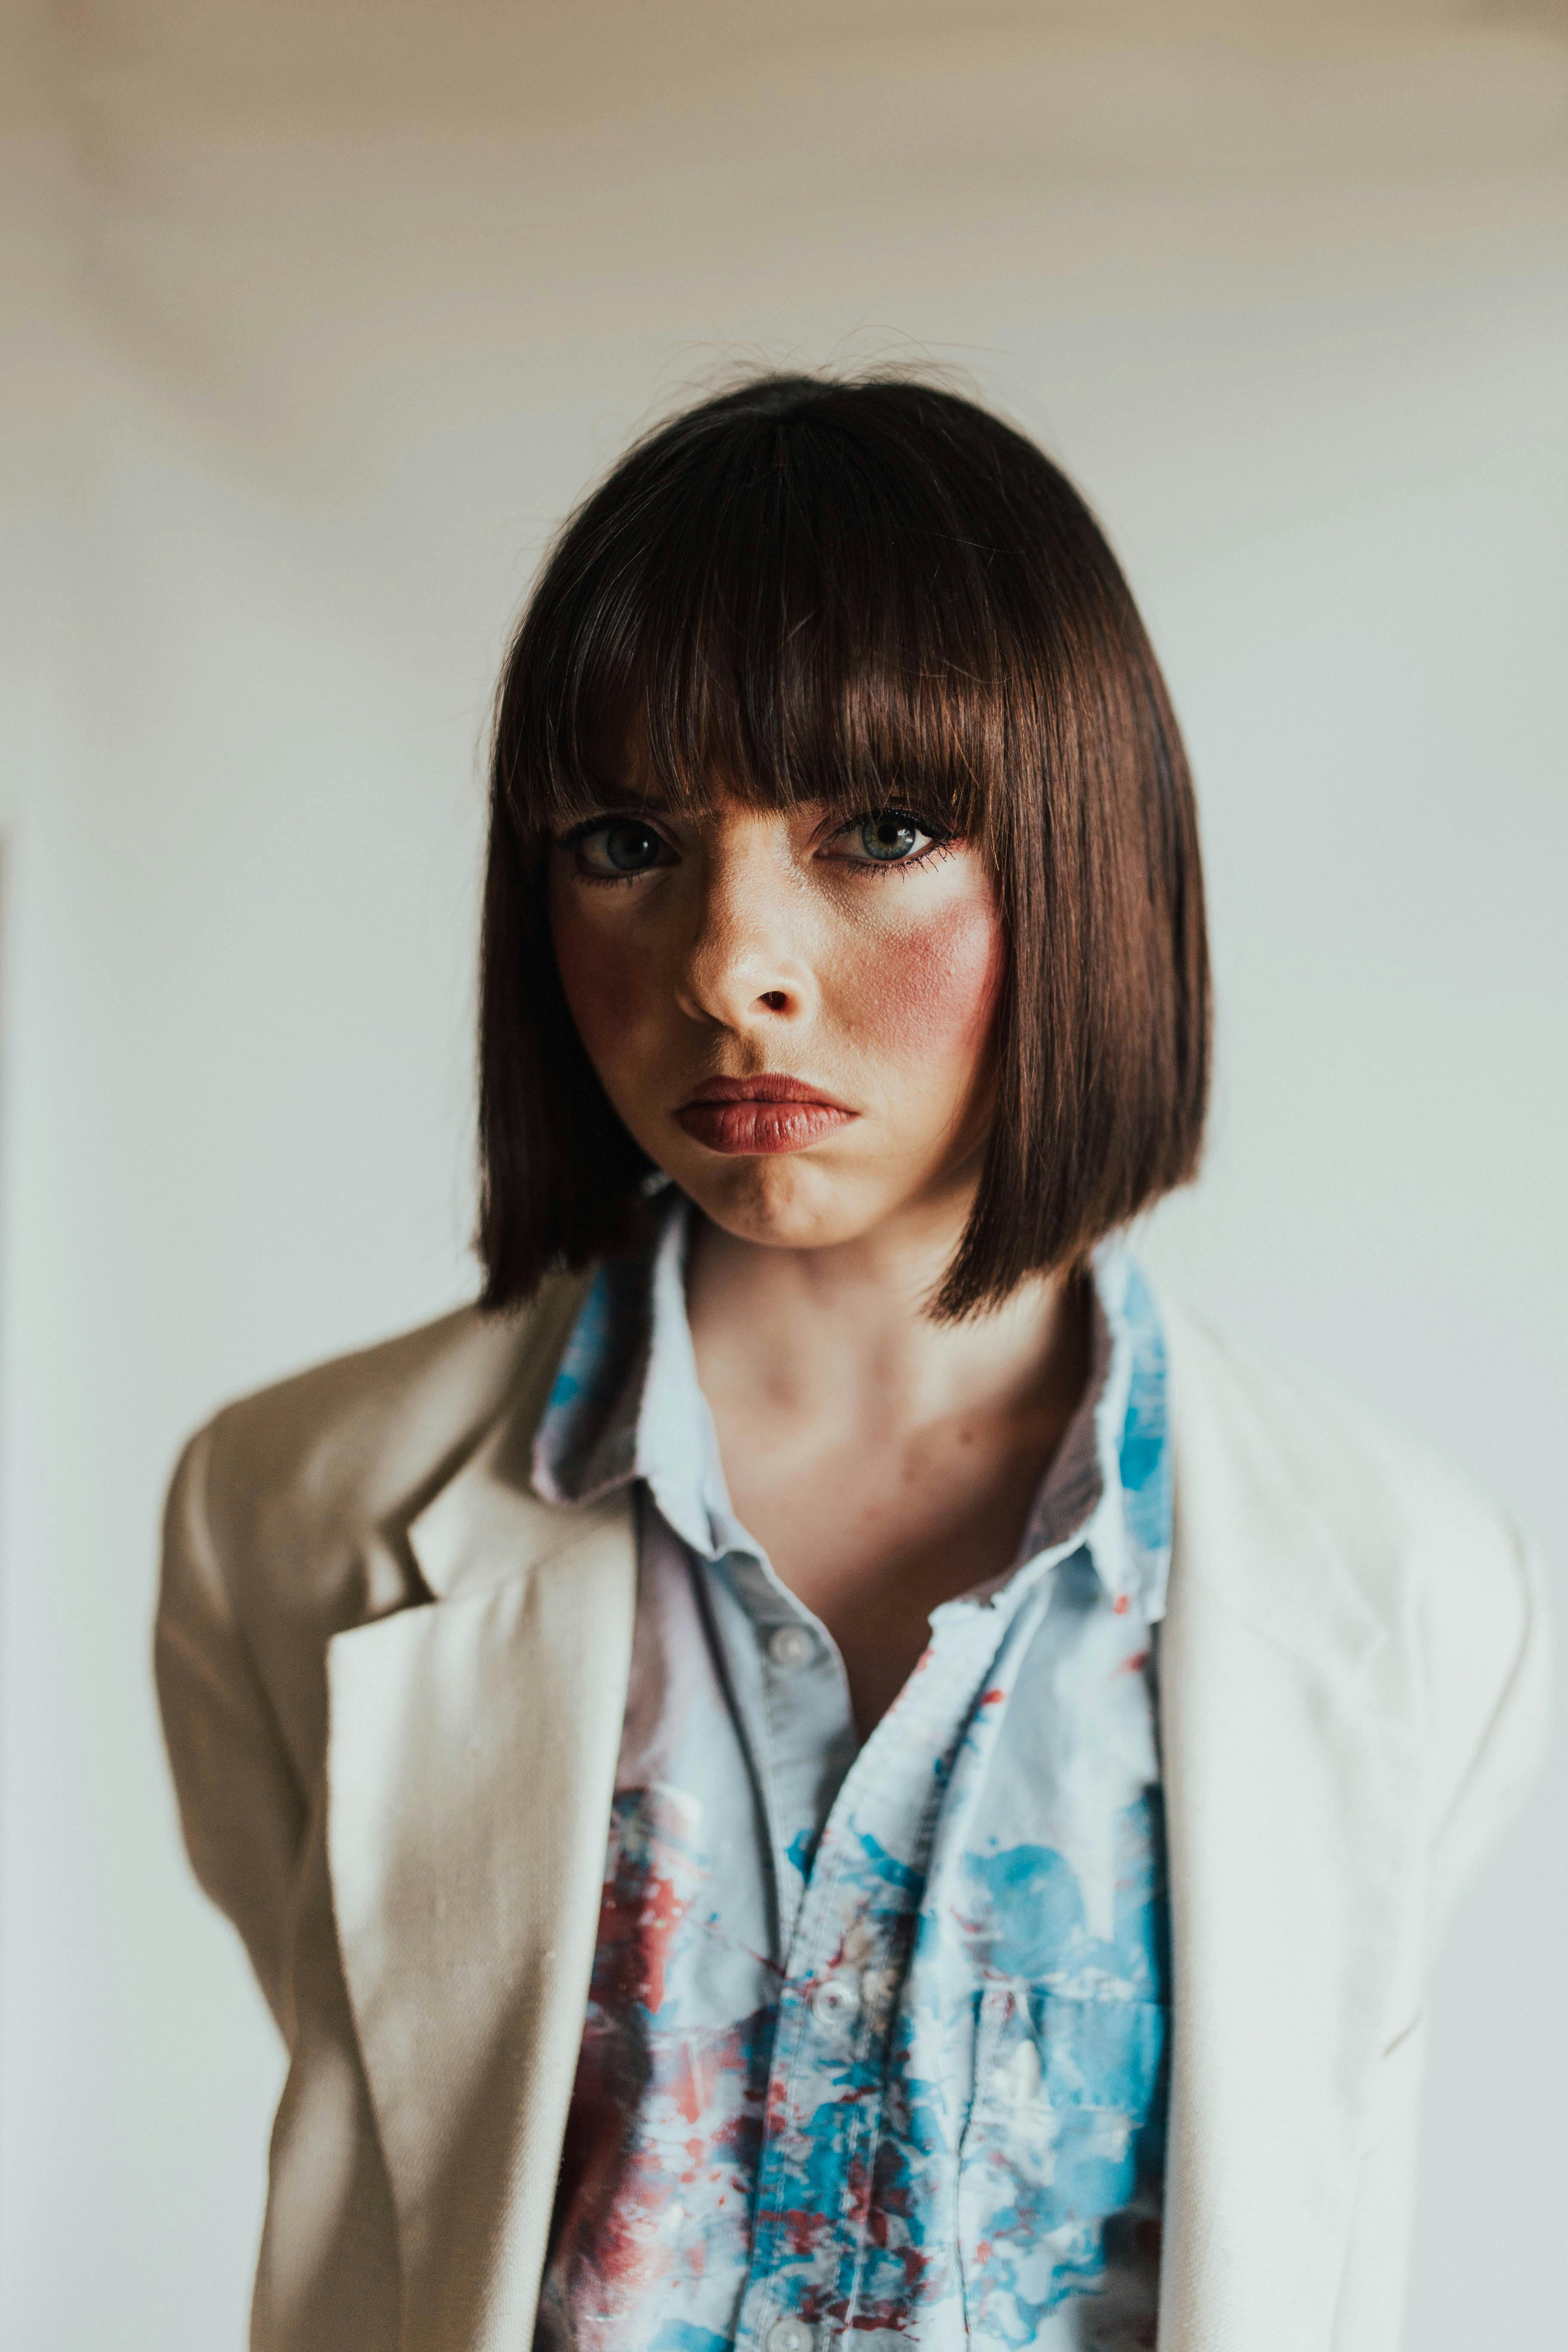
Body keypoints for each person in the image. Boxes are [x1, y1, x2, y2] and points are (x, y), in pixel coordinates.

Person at [155, 373, 1548, 2352]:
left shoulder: (1417, 1591)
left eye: (879, 829)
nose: (733, 963)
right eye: (626, 839)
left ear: (1090, 862)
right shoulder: (287, 1521)